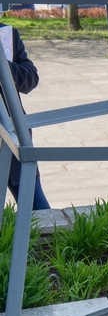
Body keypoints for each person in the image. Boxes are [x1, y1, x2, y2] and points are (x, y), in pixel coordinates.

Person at [0, 21, 50, 209]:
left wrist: (3, 66)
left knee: (38, 209)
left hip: (12, 135)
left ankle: (54, 240)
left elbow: (30, 79)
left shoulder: (6, 34)